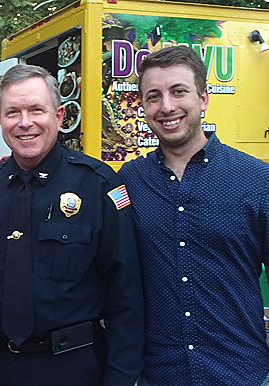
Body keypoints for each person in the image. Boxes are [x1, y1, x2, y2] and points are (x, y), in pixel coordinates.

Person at [0, 64, 143, 385]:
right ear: (0, 119)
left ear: (58, 116)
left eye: (36, 110)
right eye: (12, 112)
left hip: (72, 368)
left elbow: (126, 294)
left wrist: (121, 378)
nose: (24, 122)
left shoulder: (97, 185)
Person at [118, 45, 269, 385]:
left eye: (178, 91)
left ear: (203, 98)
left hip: (241, 373)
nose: (167, 106)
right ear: (142, 106)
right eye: (153, 96)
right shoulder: (129, 181)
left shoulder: (258, 179)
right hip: (158, 375)